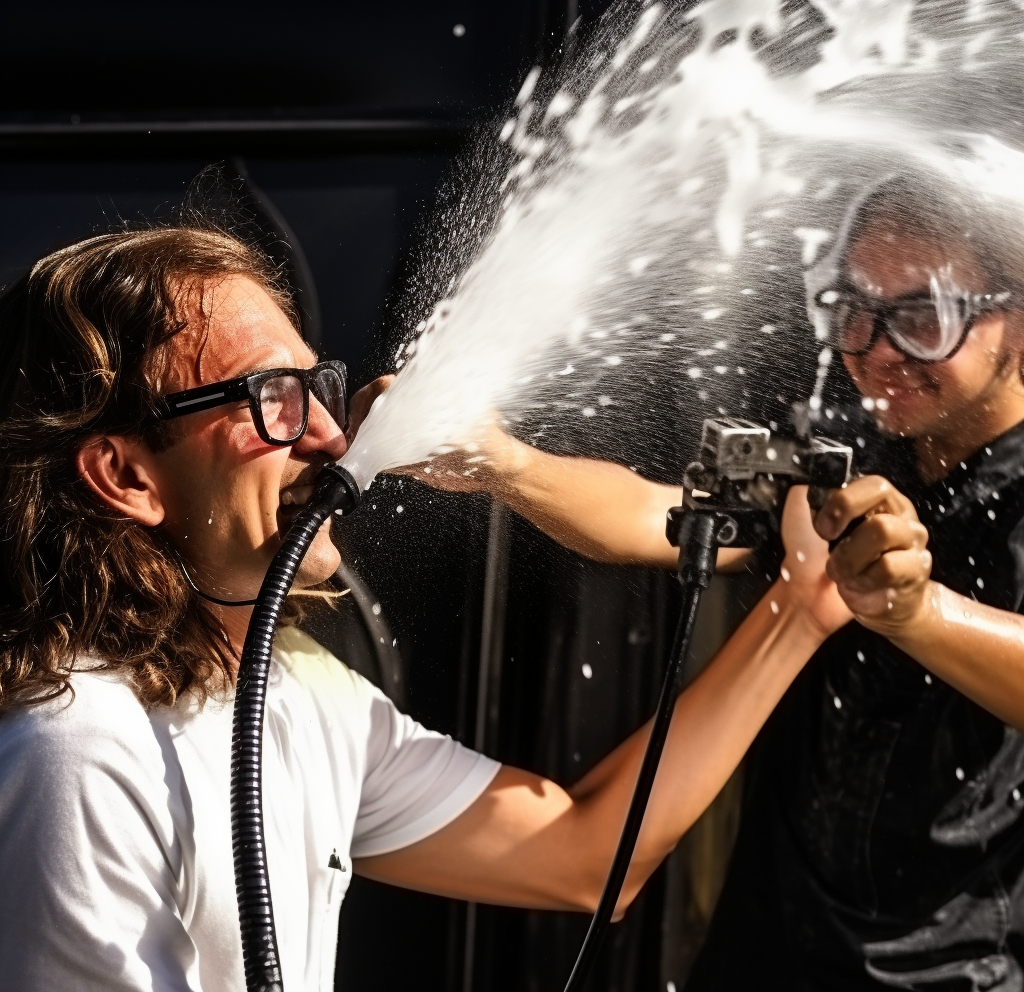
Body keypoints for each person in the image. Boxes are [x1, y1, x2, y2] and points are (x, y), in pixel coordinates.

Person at [0, 226, 848, 992]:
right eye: (271, 399)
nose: (331, 435)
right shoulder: (77, 751)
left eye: (315, 386)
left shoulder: (290, 692)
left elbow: (587, 856)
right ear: (126, 476)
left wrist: (801, 606)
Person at [410, 176, 1024, 989]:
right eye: (854, 311)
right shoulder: (845, 447)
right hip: (760, 958)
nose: (878, 352)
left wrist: (918, 613)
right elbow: (650, 513)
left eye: (923, 319)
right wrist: (507, 467)